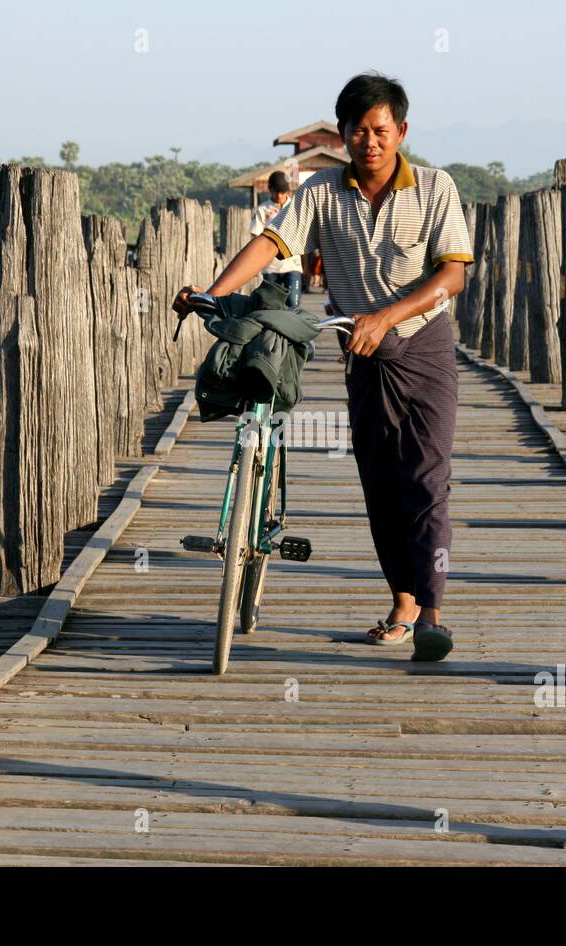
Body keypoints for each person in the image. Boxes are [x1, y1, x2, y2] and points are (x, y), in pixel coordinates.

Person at [173, 72, 472, 663]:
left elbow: (453, 274)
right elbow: (271, 245)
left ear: (401, 131)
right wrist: (212, 289)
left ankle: (432, 613)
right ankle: (403, 601)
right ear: (342, 135)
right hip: (362, 357)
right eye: (358, 130)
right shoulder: (320, 193)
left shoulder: (436, 188)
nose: (370, 141)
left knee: (426, 482)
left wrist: (386, 317)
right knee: (381, 485)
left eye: (381, 130)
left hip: (425, 348)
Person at [250, 171, 302, 306]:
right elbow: (255, 239)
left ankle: (293, 328)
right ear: (270, 190)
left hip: (292, 265)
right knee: (271, 306)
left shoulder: (295, 207)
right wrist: (254, 266)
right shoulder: (262, 210)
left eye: (282, 192)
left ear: (287, 191)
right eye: (276, 192)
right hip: (270, 266)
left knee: (293, 303)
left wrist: (306, 265)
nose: (279, 196)